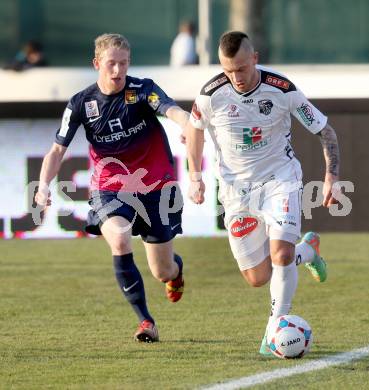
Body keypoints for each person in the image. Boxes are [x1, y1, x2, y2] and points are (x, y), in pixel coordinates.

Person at [186, 31, 340, 355]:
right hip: (235, 192)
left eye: (241, 69)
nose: (235, 78)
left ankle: (275, 328)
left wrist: (332, 176)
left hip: (279, 180)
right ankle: (308, 252)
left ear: (254, 58)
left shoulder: (282, 90)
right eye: (228, 70)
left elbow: (325, 130)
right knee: (257, 276)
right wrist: (196, 176)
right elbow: (194, 129)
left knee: (281, 254)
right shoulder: (211, 94)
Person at [35, 33, 190, 343]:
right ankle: (146, 321)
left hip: (156, 186)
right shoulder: (81, 103)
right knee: (119, 237)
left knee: (163, 271)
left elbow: (174, 110)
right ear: (97, 64)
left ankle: (177, 271)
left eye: (123, 64)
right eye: (111, 64)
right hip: (111, 187)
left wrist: (188, 126)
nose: (118, 71)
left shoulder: (142, 90)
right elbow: (56, 151)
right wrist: (42, 186)